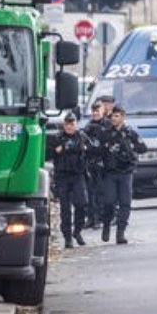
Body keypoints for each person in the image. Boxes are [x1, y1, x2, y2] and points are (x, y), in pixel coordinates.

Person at [100, 104, 148, 244]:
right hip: (110, 172)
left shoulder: (129, 133)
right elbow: (99, 151)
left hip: (126, 172)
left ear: (123, 117)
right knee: (109, 202)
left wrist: (130, 149)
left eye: (117, 116)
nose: (114, 119)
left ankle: (120, 233)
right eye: (112, 116)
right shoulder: (106, 133)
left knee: (125, 203)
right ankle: (106, 224)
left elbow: (143, 148)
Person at [50, 112, 90, 248]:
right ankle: (67, 237)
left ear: (76, 124)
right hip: (63, 176)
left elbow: (93, 149)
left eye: (72, 124)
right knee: (65, 209)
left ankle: (77, 231)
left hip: (78, 175)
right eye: (67, 124)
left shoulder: (82, 136)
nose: (69, 126)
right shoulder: (57, 137)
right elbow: (49, 153)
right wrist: (57, 150)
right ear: (64, 125)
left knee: (81, 204)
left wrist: (86, 149)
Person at [84, 100, 109, 229]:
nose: (95, 113)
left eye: (97, 111)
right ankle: (91, 218)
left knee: (101, 192)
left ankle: (101, 218)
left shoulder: (108, 125)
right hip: (91, 162)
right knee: (90, 192)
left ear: (103, 111)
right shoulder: (88, 126)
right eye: (93, 111)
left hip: (104, 163)